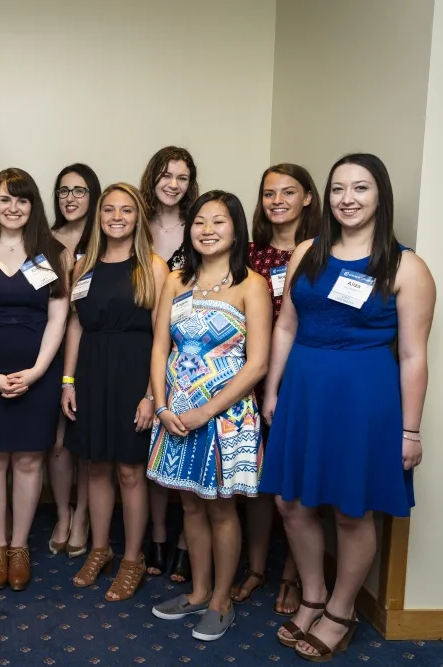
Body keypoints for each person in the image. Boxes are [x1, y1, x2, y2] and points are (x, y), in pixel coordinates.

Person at [261, 154, 435, 661]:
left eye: (360, 188)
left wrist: (410, 430)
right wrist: (273, 391)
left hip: (365, 402)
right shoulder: (308, 252)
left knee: (351, 512)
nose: (348, 199)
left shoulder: (406, 266)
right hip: (303, 394)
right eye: (338, 189)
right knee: (289, 503)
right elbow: (286, 326)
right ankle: (313, 594)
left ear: (380, 195)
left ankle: (342, 609)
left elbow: (413, 354)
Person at [146, 191, 271, 642]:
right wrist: (162, 406)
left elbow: (257, 363)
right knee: (191, 505)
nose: (208, 229)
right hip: (176, 411)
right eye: (199, 221)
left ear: (236, 229)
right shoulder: (176, 280)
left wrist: (206, 411)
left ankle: (221, 600)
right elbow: (161, 346)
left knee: (221, 509)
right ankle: (197, 592)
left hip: (225, 416)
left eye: (219, 221)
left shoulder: (251, 284)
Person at [0, 167, 70, 591]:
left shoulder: (52, 252)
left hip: (38, 372)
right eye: (5, 199)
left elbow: (59, 317)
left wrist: (38, 371)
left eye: (22, 200)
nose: (13, 207)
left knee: (27, 459)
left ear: (32, 205)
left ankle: (19, 546)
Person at [62, 183, 169, 602]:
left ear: (138, 217)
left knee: (129, 470)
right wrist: (68, 380)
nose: (117, 216)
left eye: (126, 210)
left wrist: (150, 395)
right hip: (91, 372)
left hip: (133, 373)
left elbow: (163, 336)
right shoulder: (84, 265)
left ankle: (132, 559)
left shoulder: (154, 268)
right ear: (99, 216)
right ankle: (100, 549)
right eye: (109, 209)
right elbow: (75, 324)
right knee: (95, 466)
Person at [230, 164, 321, 615]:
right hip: (253, 374)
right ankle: (256, 567)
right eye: (269, 193)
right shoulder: (249, 255)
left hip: (305, 375)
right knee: (260, 479)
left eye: (288, 192)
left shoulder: (325, 253)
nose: (278, 200)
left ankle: (292, 575)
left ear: (308, 197)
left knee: (296, 479)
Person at [137, 146, 199, 580]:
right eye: (166, 175)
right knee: (152, 451)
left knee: (184, 447)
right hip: (139, 339)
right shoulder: (134, 222)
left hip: (187, 349)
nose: (173, 184)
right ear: (153, 178)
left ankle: (184, 544)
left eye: (181, 176)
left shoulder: (203, 225)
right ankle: (157, 537)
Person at [47, 163, 102, 558]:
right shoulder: (43, 240)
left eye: (80, 190)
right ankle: (62, 514)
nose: (70, 198)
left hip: (89, 351)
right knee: (57, 441)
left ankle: (83, 515)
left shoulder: (106, 239)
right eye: (64, 190)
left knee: (83, 440)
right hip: (48, 349)